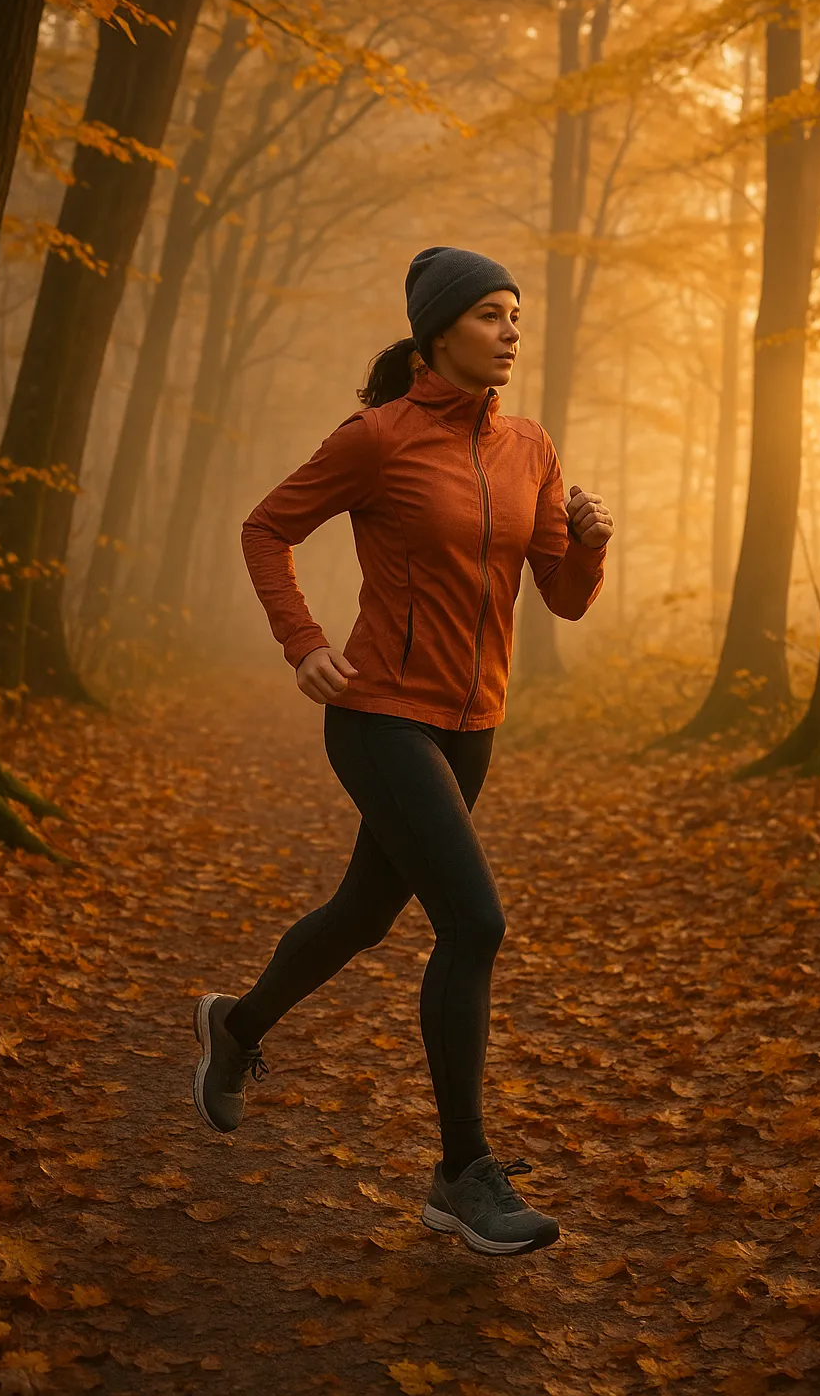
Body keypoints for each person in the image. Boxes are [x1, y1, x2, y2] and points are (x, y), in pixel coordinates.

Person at [192, 245, 613, 1256]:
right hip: (379, 712)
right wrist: (303, 642)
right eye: (491, 314)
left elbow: (562, 597)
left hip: (474, 725)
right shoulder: (377, 439)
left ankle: (236, 1028)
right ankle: (462, 1174)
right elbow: (265, 529)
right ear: (438, 332)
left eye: (516, 315)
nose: (511, 332)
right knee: (474, 921)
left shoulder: (531, 448)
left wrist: (590, 541)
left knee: (364, 914)